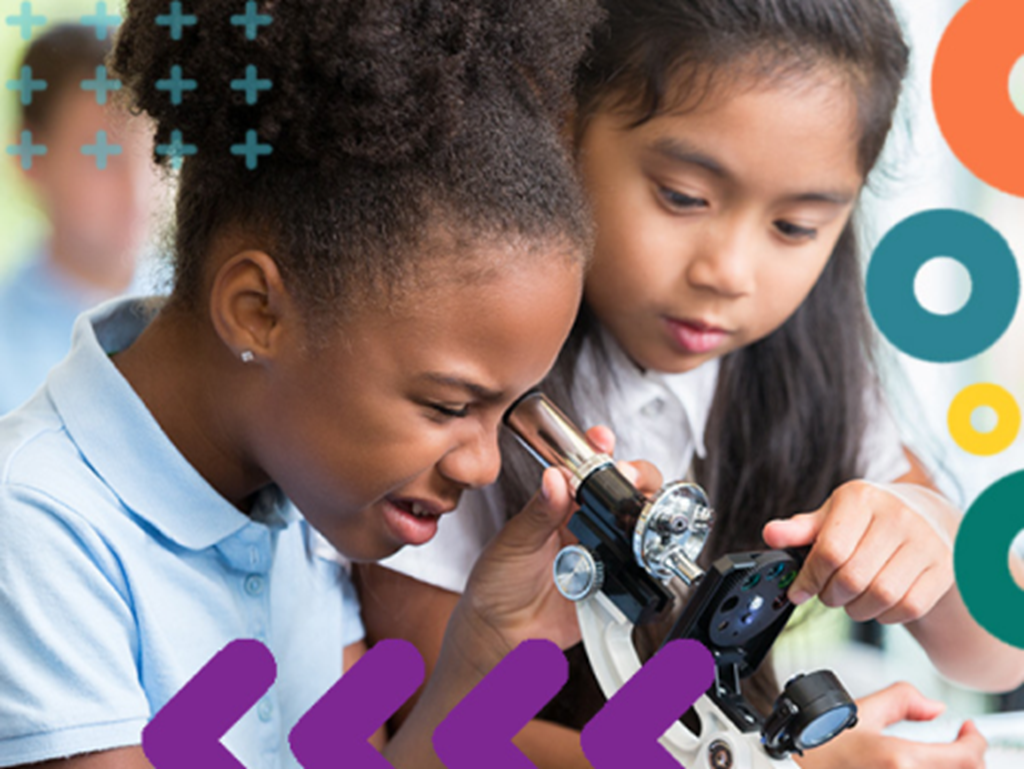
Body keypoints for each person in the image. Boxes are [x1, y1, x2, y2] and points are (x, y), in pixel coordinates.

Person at [361, 1, 1024, 767]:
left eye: (796, 227)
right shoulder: (468, 390)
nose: (728, 273)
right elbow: (441, 720)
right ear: (563, 128)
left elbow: (1000, 651)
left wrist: (927, 537)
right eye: (682, 196)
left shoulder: (807, 369)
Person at [0, 1, 613, 767]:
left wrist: (479, 655)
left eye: (506, 410)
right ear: (257, 313)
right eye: (449, 405)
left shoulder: (304, 500)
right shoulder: (36, 528)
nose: (483, 465)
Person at [0, 23, 159, 414]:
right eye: (102, 157)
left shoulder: (212, 307)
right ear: (30, 157)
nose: (137, 187)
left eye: (154, 152)